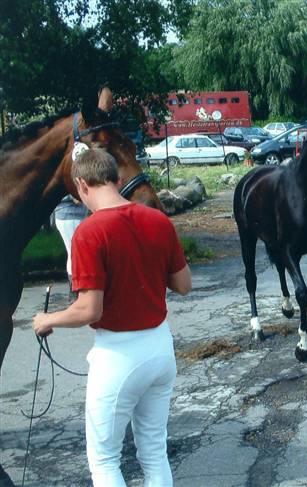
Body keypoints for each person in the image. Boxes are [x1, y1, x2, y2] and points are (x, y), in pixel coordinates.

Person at [33, 148, 192, 486]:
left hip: (119, 355)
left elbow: (90, 309)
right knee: (153, 451)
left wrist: (48, 320)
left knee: (105, 461)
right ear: (118, 180)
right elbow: (183, 284)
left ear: (80, 185)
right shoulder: (158, 220)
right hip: (160, 347)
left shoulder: (89, 233)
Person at [53, 194, 89, 299]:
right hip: (69, 215)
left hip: (75, 215)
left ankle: (75, 290)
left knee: (73, 253)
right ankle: (76, 290)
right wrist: (72, 197)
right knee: (75, 254)